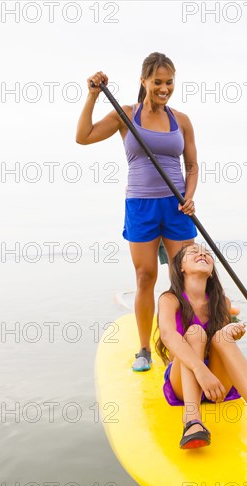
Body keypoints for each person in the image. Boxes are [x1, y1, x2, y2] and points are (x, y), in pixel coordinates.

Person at [76, 52, 198, 371]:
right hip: (141, 206)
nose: (164, 88)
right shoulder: (125, 115)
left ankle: (188, 343)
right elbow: (83, 137)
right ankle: (144, 348)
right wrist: (92, 96)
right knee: (146, 277)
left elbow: (192, 165)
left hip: (176, 206)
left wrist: (190, 196)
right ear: (143, 81)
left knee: (186, 279)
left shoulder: (181, 120)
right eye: (157, 82)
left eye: (169, 82)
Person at [155, 242, 247, 450]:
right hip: (184, 382)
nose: (202, 253)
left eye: (207, 253)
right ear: (180, 267)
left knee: (222, 336)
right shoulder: (170, 299)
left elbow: (218, 347)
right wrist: (200, 370)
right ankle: (192, 421)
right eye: (194, 252)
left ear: (212, 272)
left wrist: (231, 332)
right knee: (195, 333)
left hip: (217, 385)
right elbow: (168, 335)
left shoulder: (221, 301)